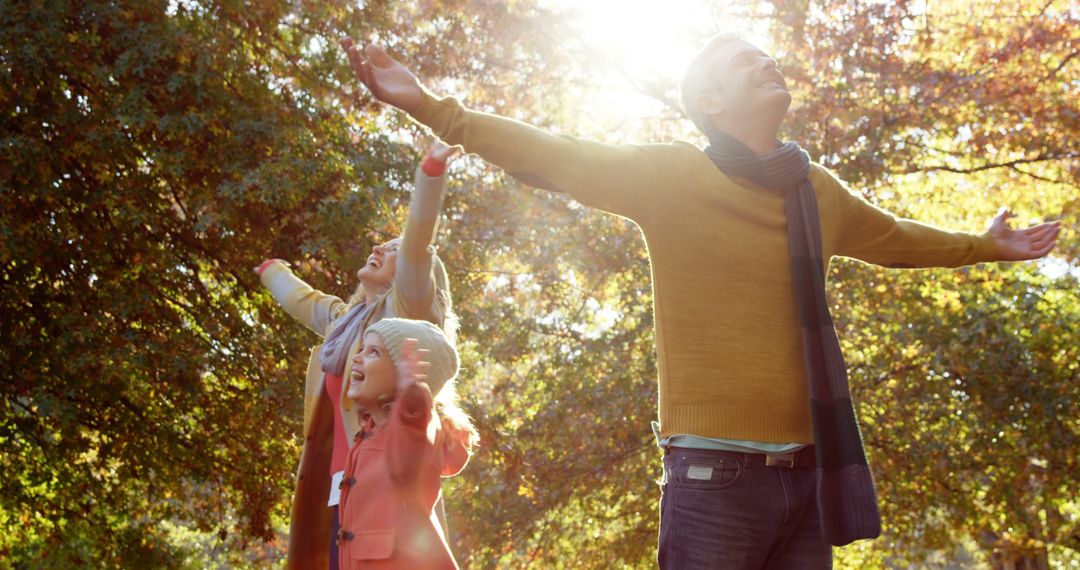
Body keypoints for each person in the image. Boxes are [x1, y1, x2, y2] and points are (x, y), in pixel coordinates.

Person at [338, 32, 1060, 569]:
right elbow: (549, 153)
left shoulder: (817, 193)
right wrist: (430, 106)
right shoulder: (672, 176)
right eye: (744, 63)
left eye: (766, 59)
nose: (765, 64)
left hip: (807, 479)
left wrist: (988, 244)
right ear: (711, 102)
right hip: (714, 480)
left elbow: (897, 237)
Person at [256, 142, 462, 569]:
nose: (381, 249)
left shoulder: (404, 313)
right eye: (382, 244)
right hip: (339, 489)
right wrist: (270, 270)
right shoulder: (345, 324)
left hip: (384, 495)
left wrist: (430, 175)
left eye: (393, 249)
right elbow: (306, 301)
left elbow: (417, 247)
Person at [336, 318, 476, 569]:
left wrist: (410, 395)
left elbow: (404, 468)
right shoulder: (369, 434)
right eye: (361, 350)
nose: (357, 358)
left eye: (373, 352)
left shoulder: (416, 429)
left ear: (404, 375)